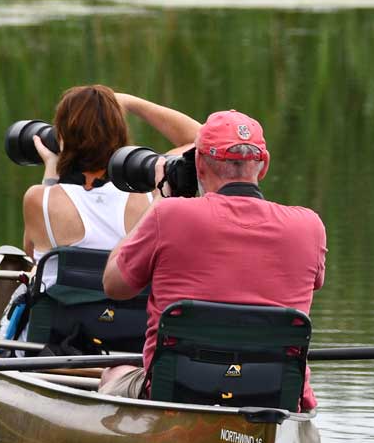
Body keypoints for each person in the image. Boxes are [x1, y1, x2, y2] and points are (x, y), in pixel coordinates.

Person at [99, 110, 327, 410]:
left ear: (198, 164)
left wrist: (159, 200)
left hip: (175, 392)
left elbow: (114, 286)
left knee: (113, 373)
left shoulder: (168, 215)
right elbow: (314, 283)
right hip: (274, 398)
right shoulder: (309, 226)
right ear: (264, 166)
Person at [22, 85, 199, 289]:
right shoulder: (152, 193)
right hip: (130, 318)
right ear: (120, 132)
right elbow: (199, 139)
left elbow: (33, 258)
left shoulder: (38, 200)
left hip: (63, 319)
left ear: (61, 136)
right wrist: (129, 101)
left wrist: (51, 172)